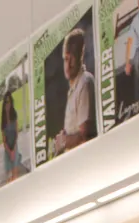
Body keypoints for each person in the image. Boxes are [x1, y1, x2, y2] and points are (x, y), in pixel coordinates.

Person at [53, 28, 96, 156]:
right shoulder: (73, 88)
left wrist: (63, 141)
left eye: (72, 58)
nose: (68, 64)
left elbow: (84, 135)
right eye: (66, 59)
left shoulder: (84, 82)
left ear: (81, 56)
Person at [0, 92, 29, 184]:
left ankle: (17, 160)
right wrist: (9, 151)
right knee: (8, 175)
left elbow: (16, 132)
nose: (7, 105)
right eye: (6, 102)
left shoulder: (14, 114)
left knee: (15, 173)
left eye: (9, 102)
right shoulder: (3, 120)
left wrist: (13, 150)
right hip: (7, 147)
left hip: (14, 144)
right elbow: (4, 140)